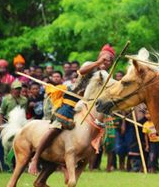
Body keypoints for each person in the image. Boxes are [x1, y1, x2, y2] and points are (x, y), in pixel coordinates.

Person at [28, 44, 116, 175]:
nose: (106, 62)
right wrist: (98, 62)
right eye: (105, 58)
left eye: (110, 61)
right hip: (71, 101)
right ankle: (35, 158)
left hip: (87, 106)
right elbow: (82, 71)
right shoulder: (90, 64)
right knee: (56, 127)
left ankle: (72, 162)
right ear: (100, 56)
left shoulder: (105, 75)